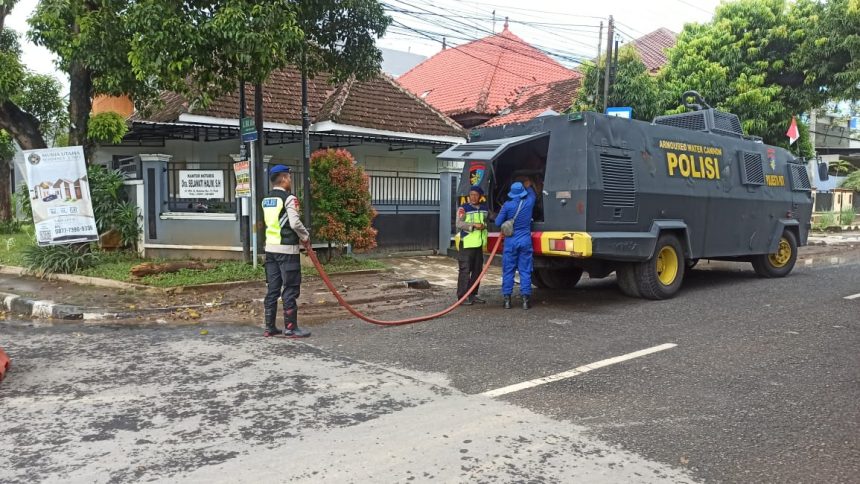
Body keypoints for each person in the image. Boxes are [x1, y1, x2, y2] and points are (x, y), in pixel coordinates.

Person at [261, 165, 311, 338]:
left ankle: (269, 327)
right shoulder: (289, 199)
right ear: (283, 178)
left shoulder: (266, 200)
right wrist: (305, 236)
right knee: (290, 288)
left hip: (270, 250)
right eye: (289, 177)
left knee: (273, 289)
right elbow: (295, 223)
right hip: (287, 250)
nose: (290, 180)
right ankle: (291, 328)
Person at [496, 180, 536, 310]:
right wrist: (528, 186)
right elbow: (533, 195)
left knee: (508, 271)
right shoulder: (529, 202)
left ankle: (507, 301)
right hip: (525, 241)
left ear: (511, 193)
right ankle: (525, 301)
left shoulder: (507, 205)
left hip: (510, 242)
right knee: (525, 270)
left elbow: (497, 223)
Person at [455, 186, 489, 305]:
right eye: (471, 195)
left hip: (478, 244)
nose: (473, 197)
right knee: (465, 271)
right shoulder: (463, 208)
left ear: (480, 196)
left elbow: (488, 220)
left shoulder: (484, 208)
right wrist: (473, 225)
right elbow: (459, 224)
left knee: (477, 271)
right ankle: (462, 297)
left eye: (475, 195)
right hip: (466, 244)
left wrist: (484, 226)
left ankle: (472, 295)